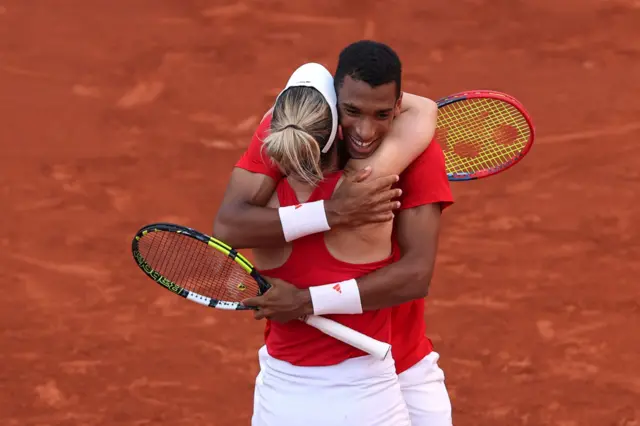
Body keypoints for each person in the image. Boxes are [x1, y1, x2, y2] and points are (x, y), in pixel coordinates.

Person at [214, 41, 454, 426]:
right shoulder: (289, 134)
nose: (364, 130)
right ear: (334, 100)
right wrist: (330, 213)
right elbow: (229, 225)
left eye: (381, 114)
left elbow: (416, 274)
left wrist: (307, 301)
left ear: (397, 107)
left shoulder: (419, 154)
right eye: (352, 111)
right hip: (343, 376)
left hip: (404, 363)